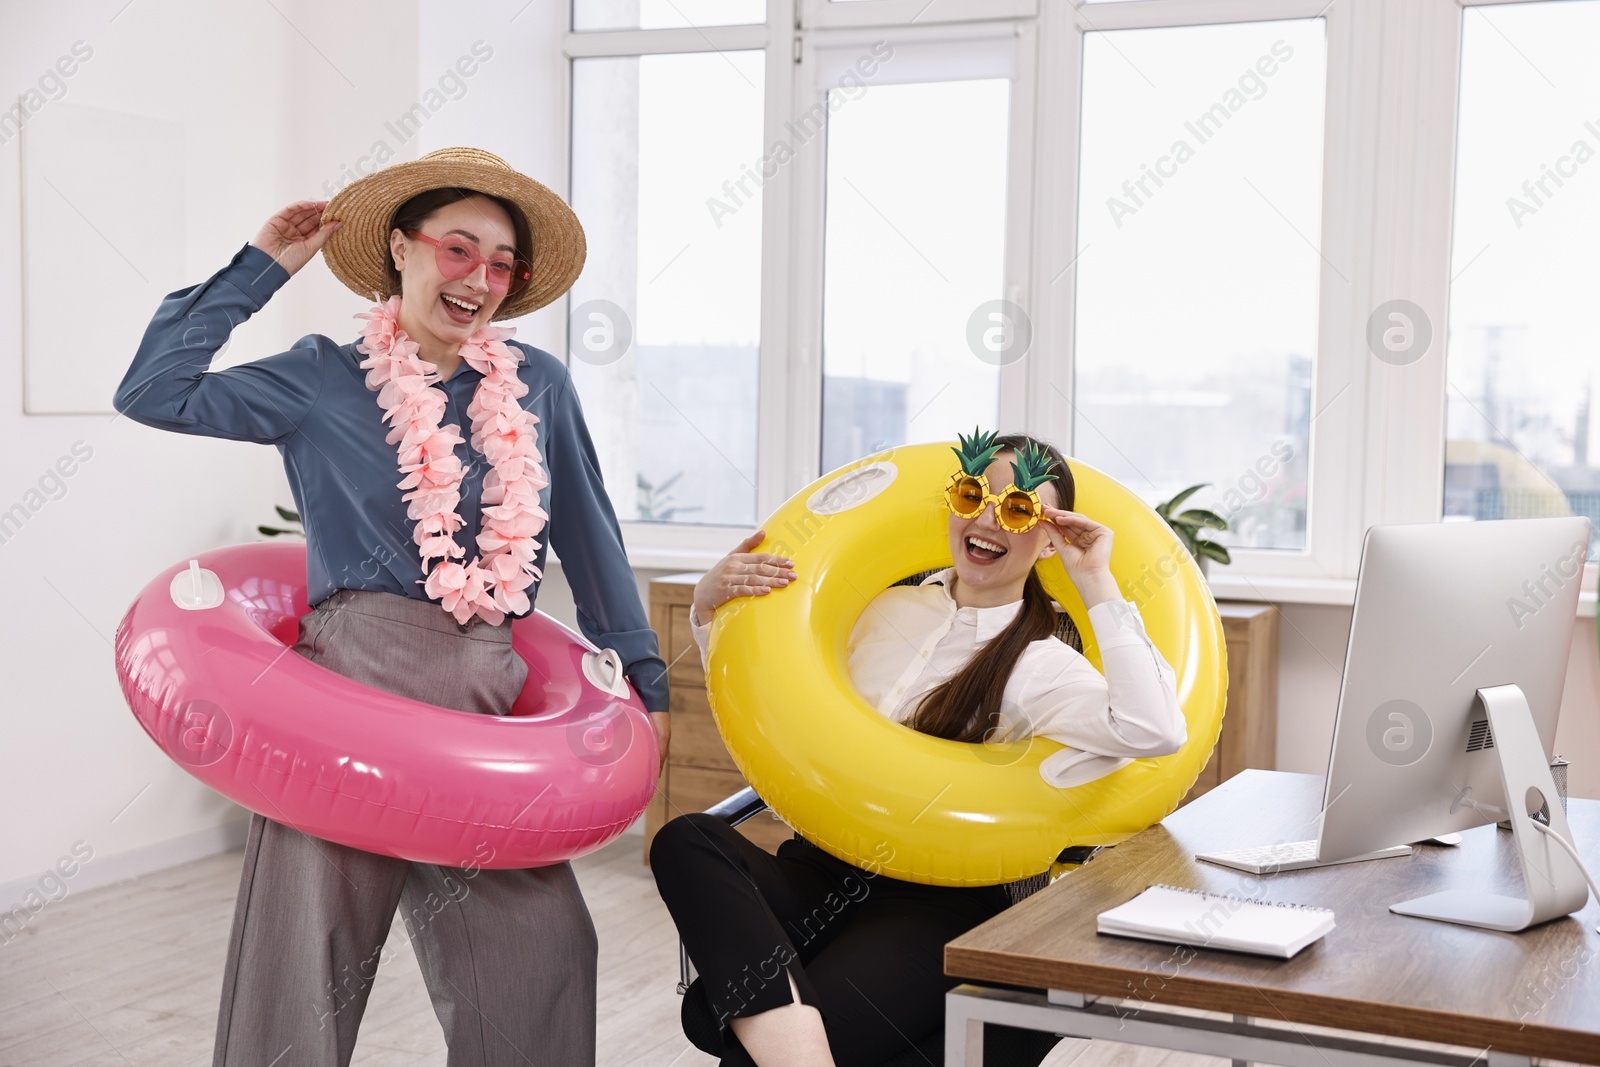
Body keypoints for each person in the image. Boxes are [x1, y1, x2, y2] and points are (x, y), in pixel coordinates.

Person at [112, 147, 669, 1067]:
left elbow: (591, 540)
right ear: (402, 252)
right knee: (304, 963)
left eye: (502, 264)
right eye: (460, 248)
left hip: (491, 699)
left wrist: (641, 682)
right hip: (346, 700)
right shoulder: (322, 375)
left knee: (542, 953)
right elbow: (153, 391)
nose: (480, 278)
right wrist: (257, 271)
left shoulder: (541, 388)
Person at [649, 430, 1186, 1067]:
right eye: (973, 496)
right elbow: (768, 701)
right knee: (687, 838)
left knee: (738, 1042)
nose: (988, 520)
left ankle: (764, 1032)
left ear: (1048, 538)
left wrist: (1094, 578)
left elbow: (1156, 730)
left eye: (1017, 509)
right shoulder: (876, 608)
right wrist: (708, 611)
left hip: (932, 897)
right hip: (818, 867)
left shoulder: (1040, 665)